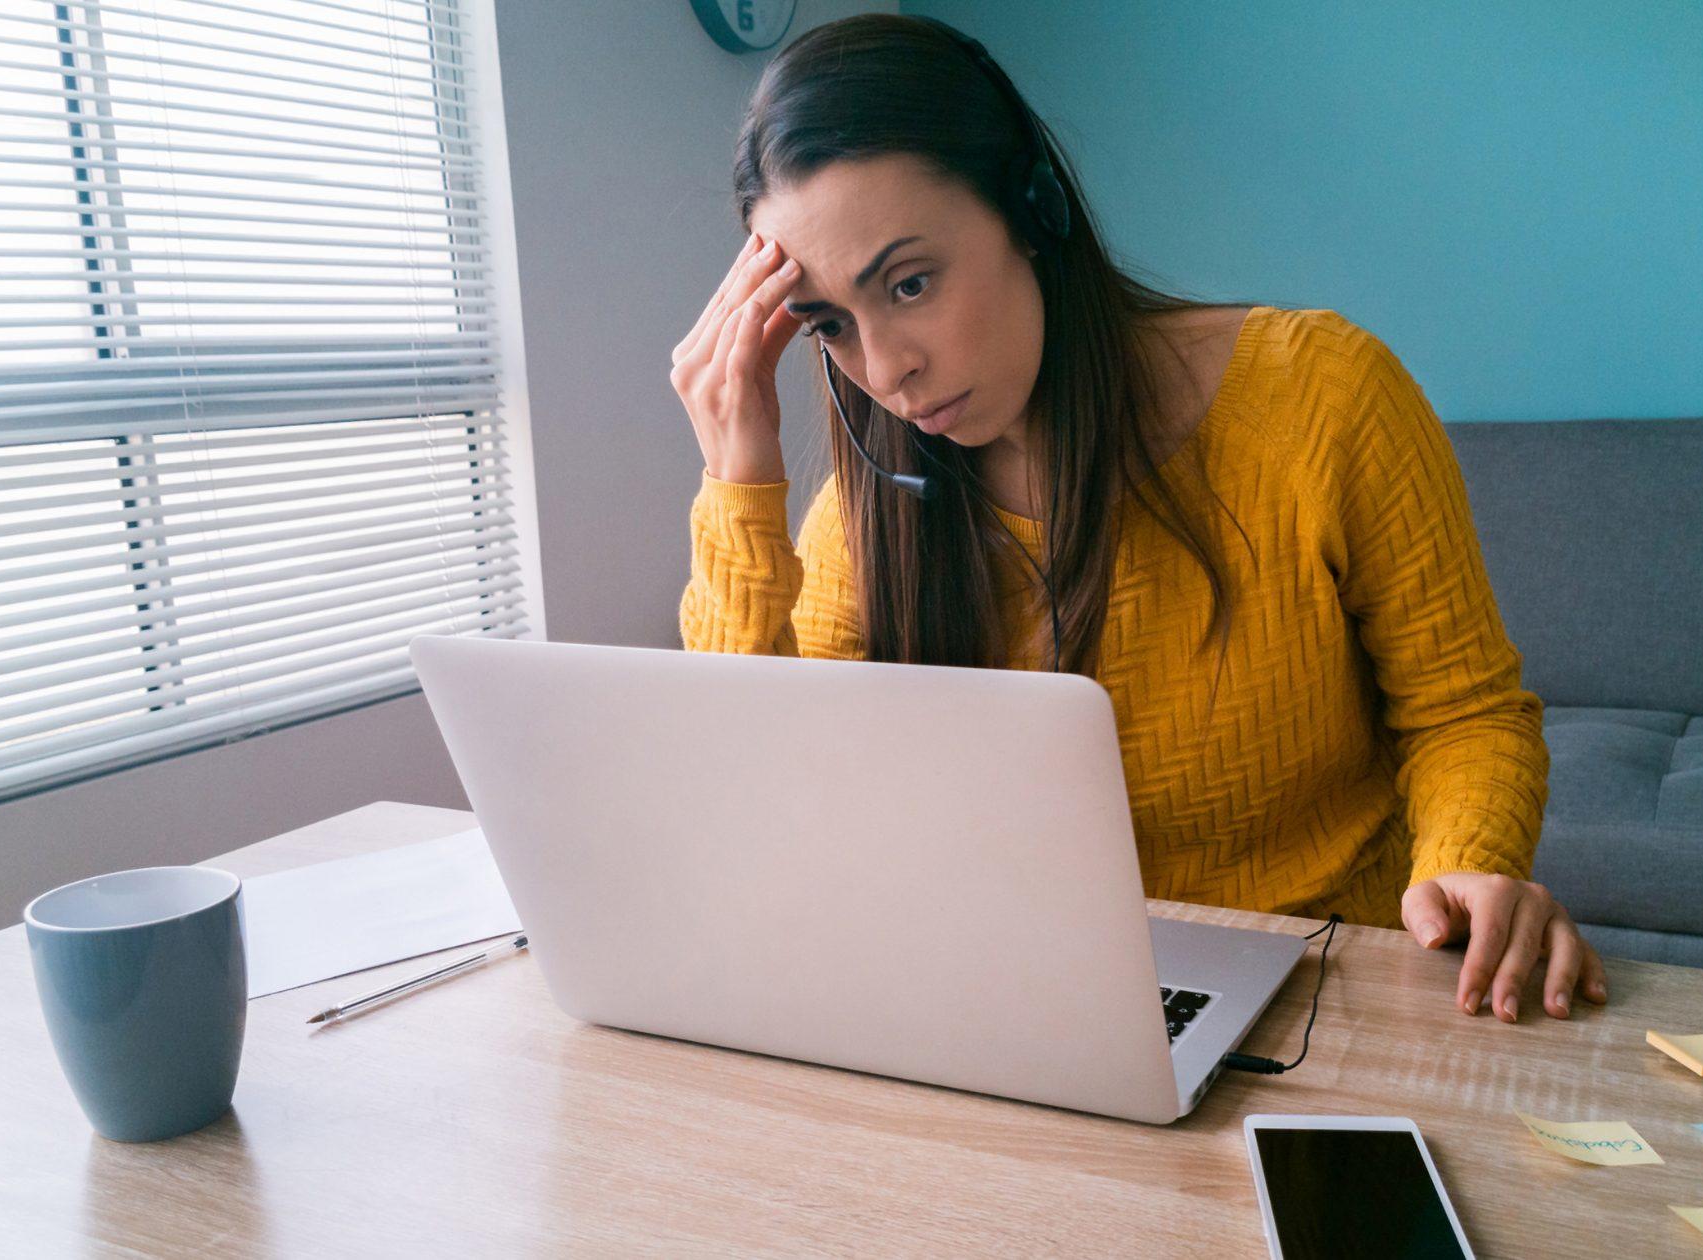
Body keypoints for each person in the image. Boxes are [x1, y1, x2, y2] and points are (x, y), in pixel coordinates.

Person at [669, 15, 1607, 1024]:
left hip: (1334, 998)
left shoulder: (1323, 397)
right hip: (1018, 1004)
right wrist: (736, 478)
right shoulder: (868, 516)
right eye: (828, 326)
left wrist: (1466, 869)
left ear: (1030, 209)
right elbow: (758, 806)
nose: (885, 368)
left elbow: (1463, 713)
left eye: (908, 284)